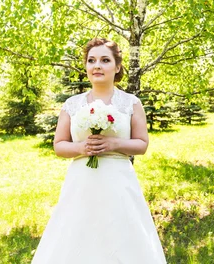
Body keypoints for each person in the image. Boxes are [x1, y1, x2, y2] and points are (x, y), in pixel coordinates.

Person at [32, 38, 166, 263]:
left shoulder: (131, 103)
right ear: (86, 66)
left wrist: (114, 144)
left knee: (120, 237)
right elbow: (59, 145)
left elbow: (142, 144)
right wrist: (81, 148)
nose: (97, 66)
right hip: (82, 181)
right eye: (91, 60)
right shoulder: (72, 104)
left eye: (105, 60)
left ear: (117, 66)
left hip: (119, 181)